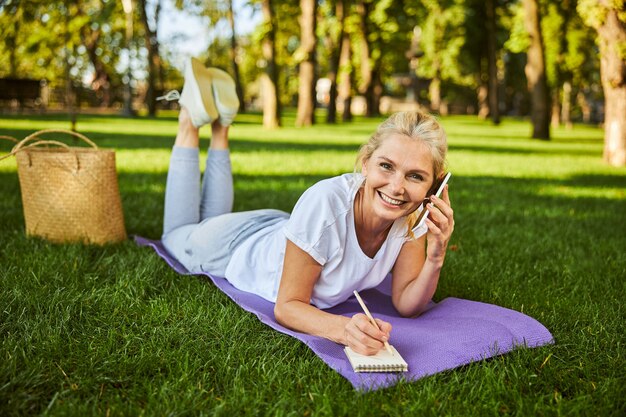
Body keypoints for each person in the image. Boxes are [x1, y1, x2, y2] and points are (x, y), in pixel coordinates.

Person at [160, 58, 454, 356]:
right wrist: (343, 329)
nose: (396, 187)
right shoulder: (326, 201)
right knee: (176, 234)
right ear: (365, 163)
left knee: (207, 220)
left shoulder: (412, 218)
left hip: (282, 229)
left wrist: (436, 255)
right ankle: (189, 121)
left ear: (434, 187)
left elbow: (406, 304)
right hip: (232, 246)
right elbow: (287, 307)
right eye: (386, 166)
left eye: (415, 176)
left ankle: (222, 125)